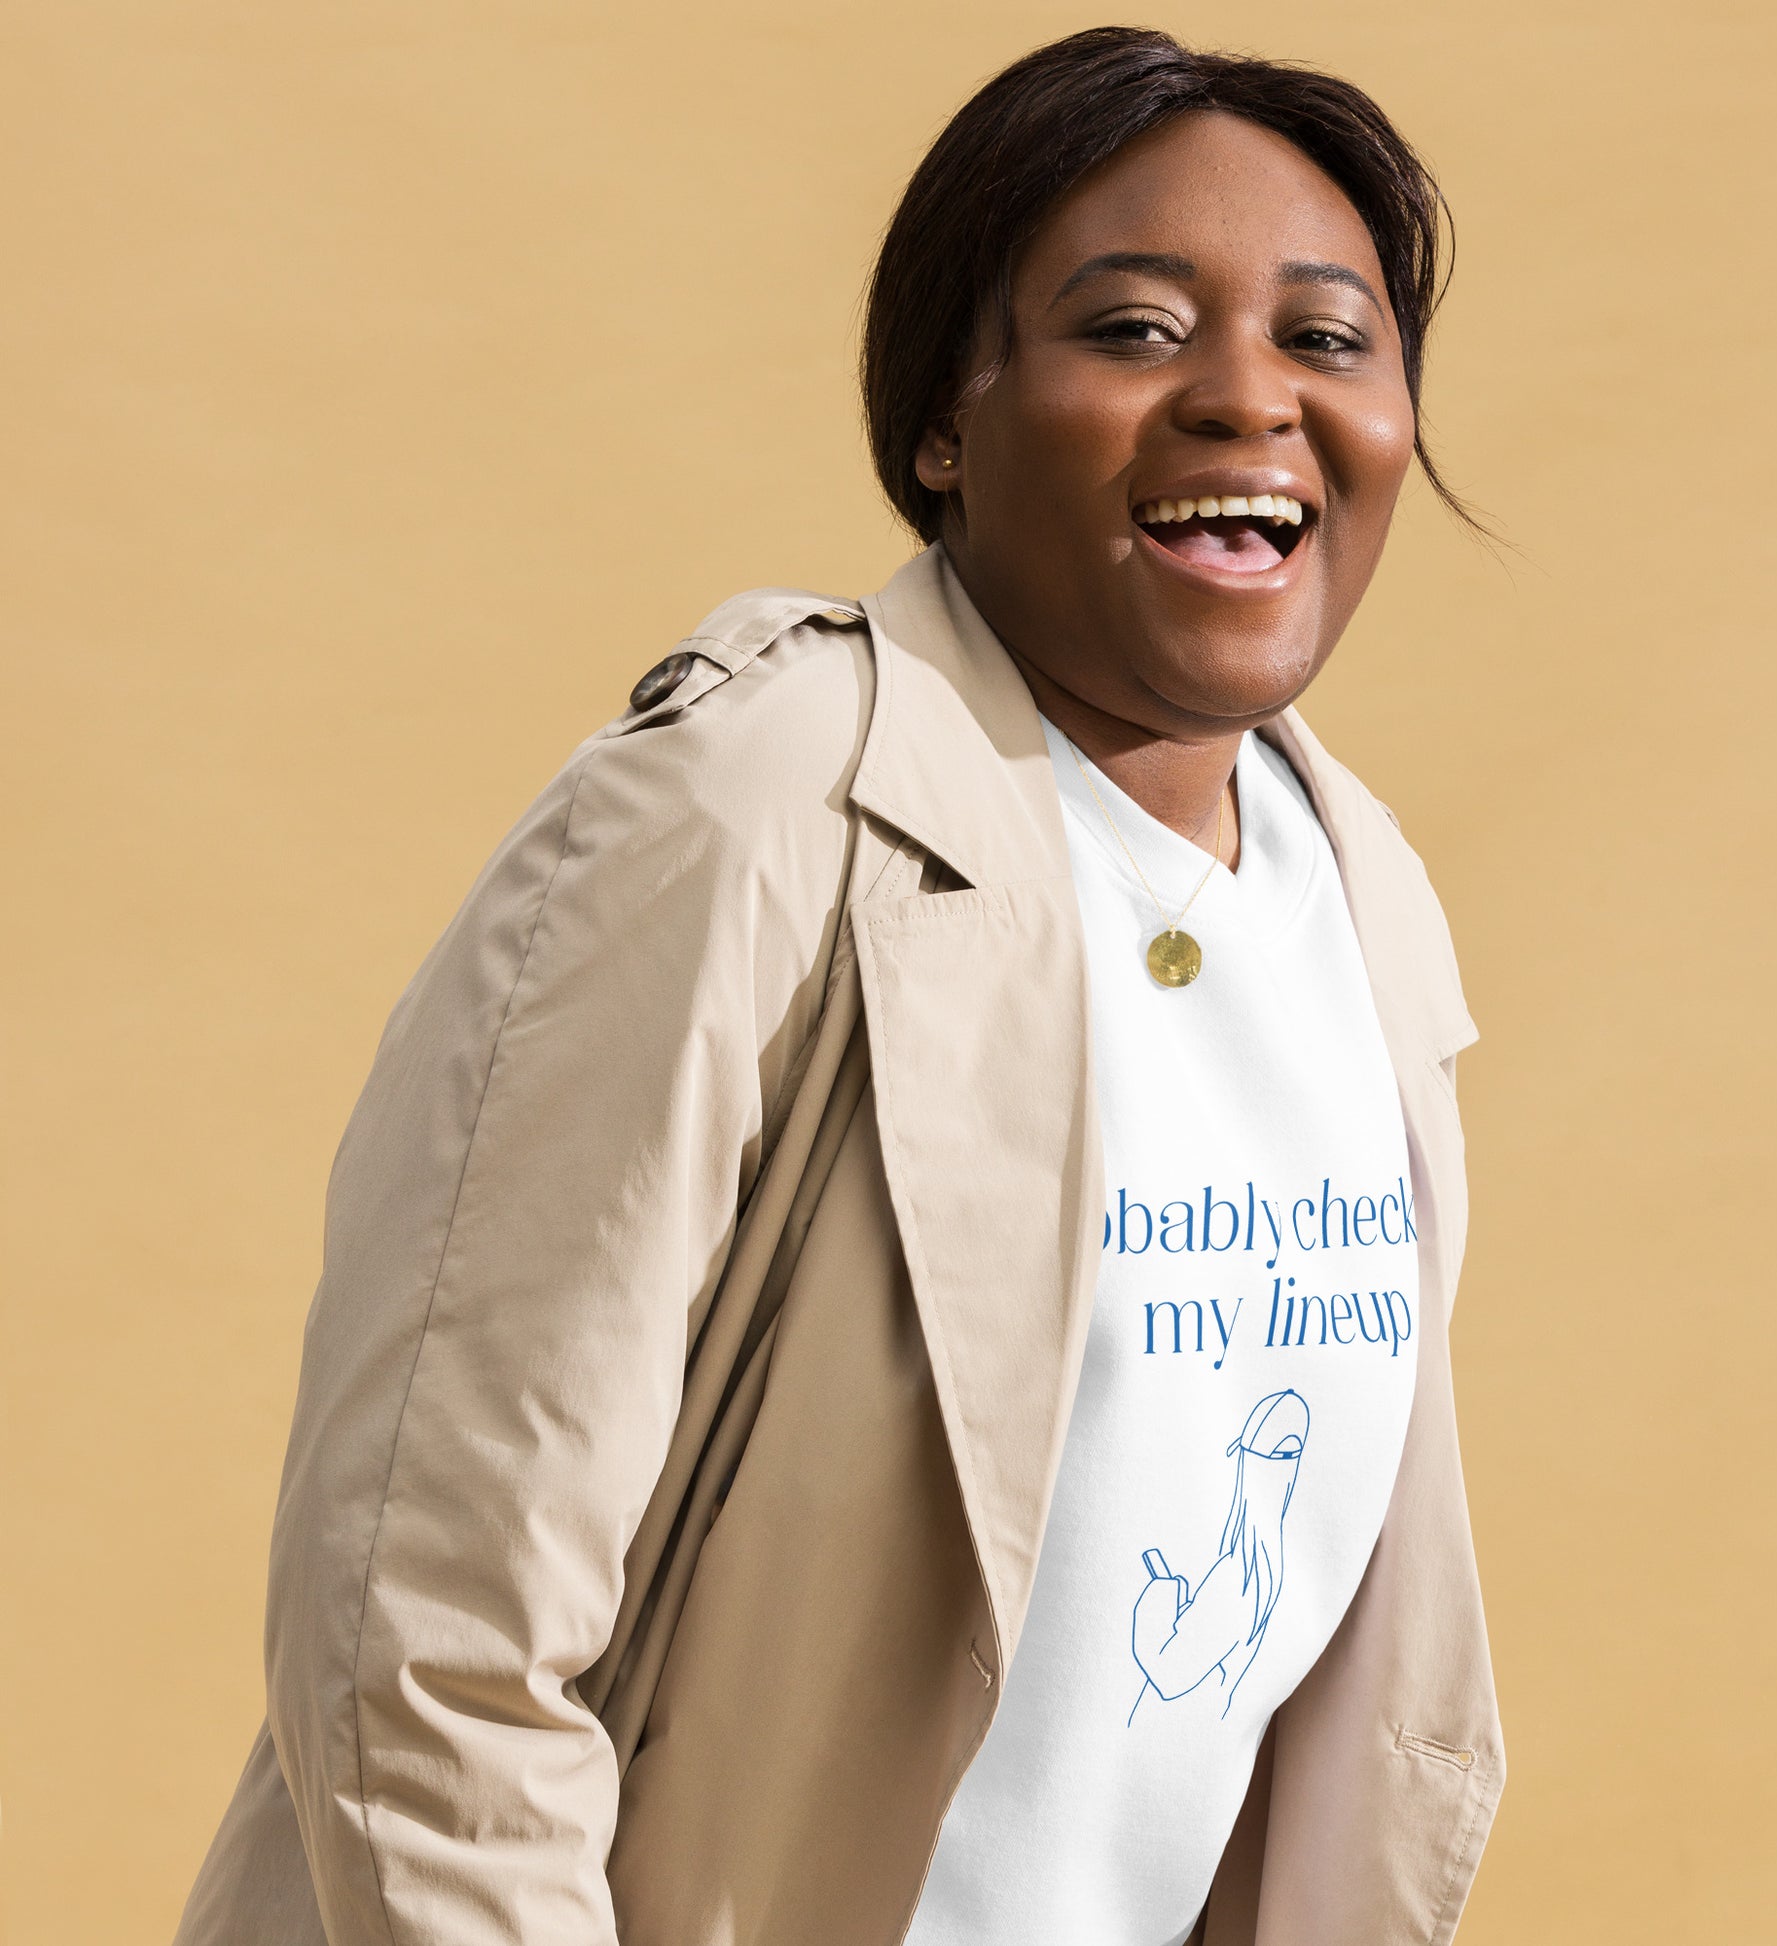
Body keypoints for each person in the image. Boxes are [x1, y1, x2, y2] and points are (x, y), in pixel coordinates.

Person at [176, 25, 1502, 1946]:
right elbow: (428, 1631)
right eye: (1131, 329)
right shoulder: (758, 801)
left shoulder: (1356, 890)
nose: (1245, 398)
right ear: (942, 421)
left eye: (1325, 338)